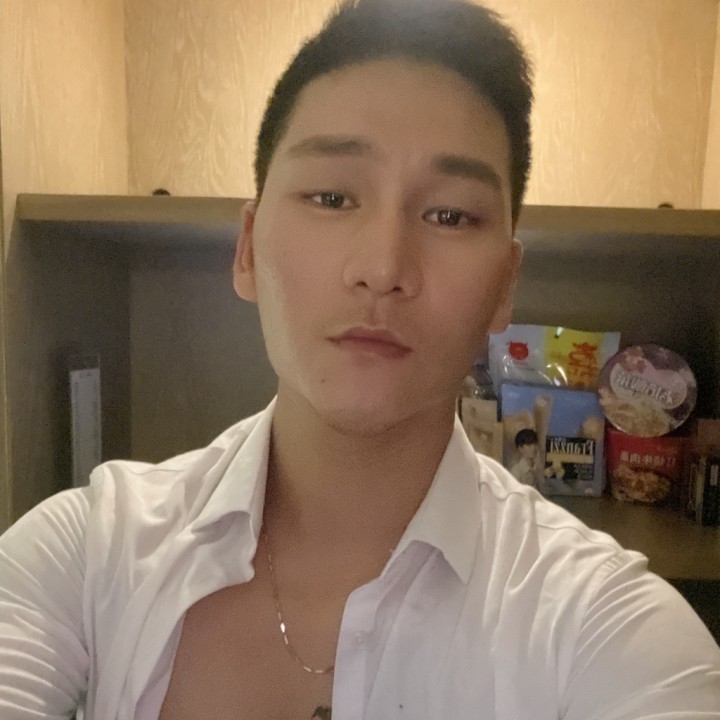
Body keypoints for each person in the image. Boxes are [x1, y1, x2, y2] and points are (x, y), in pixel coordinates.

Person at [1, 0, 719, 718]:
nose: (383, 268)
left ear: (505, 285)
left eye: (449, 215)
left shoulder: (603, 627)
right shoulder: (86, 555)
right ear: (247, 251)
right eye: (332, 196)